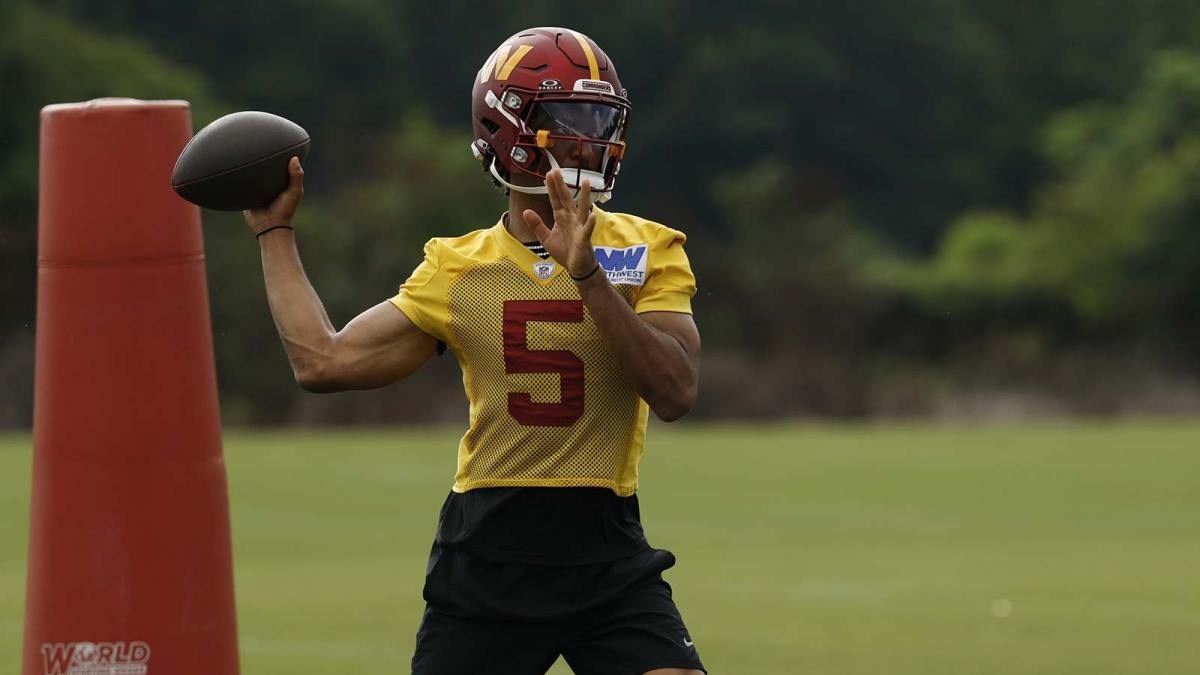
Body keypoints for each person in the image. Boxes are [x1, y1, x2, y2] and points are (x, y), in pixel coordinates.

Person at [244, 26, 705, 675]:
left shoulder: (648, 247)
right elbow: (323, 361)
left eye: (601, 118)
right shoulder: (459, 268)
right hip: (489, 554)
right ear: (509, 132)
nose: (592, 138)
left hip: (607, 548)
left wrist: (589, 277)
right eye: (569, 118)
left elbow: (676, 390)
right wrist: (273, 230)